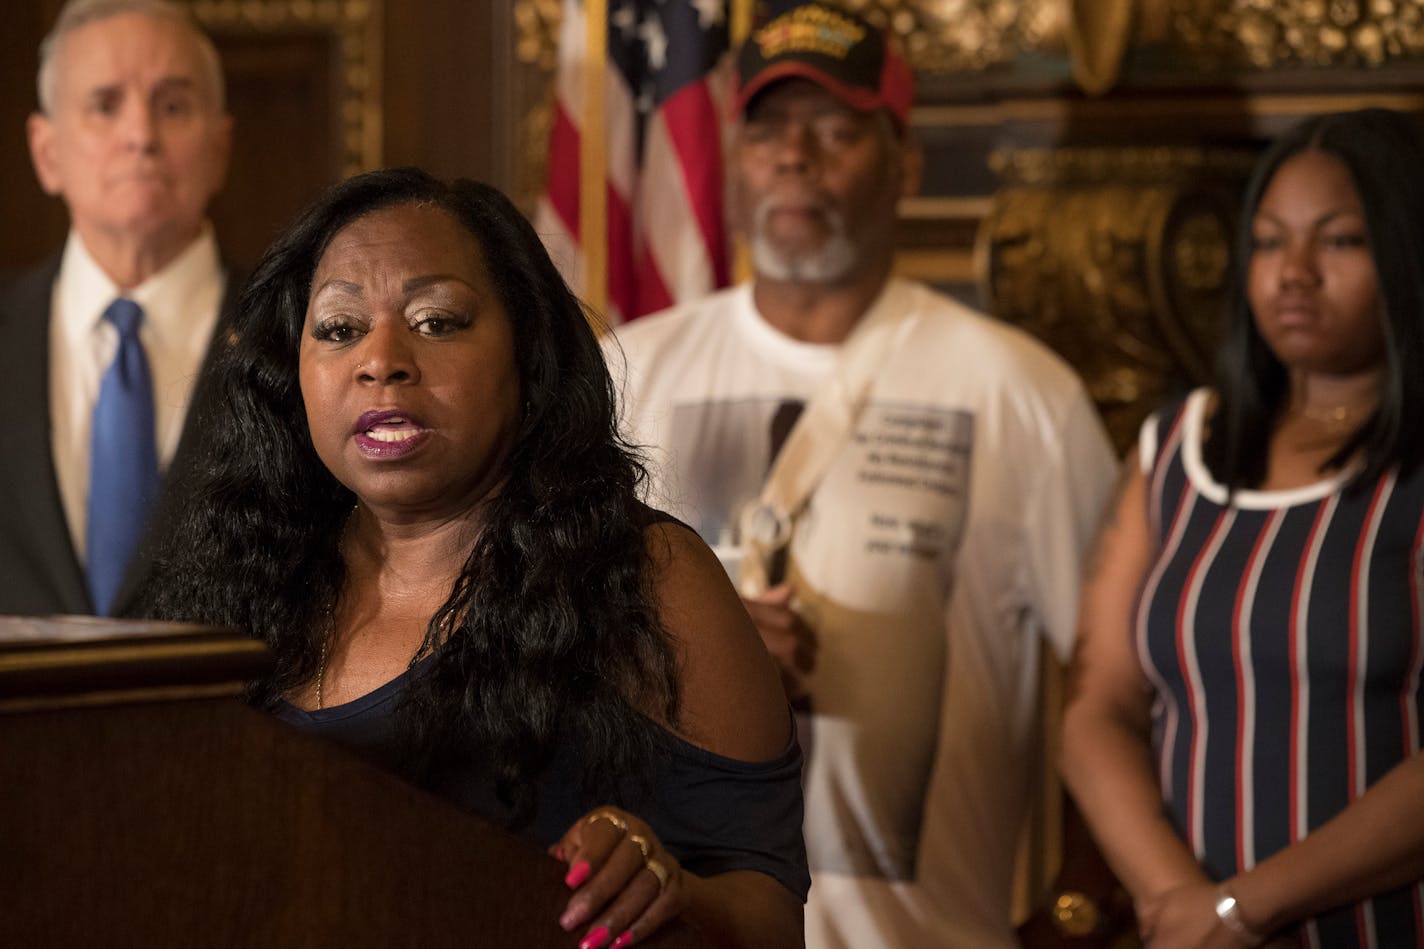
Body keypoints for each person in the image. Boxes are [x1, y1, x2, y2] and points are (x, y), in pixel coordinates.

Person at [136, 167, 809, 949]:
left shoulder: (644, 575)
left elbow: (771, 915)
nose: (381, 359)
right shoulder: (234, 579)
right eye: (340, 328)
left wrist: (669, 884)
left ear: (526, 352)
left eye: (438, 320)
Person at [607, 4, 1118, 945]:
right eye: (766, 131)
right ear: (734, 161)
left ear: (906, 164)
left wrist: (1079, 906)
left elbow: (1126, 682)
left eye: (836, 130)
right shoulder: (624, 375)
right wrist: (690, 650)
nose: (795, 157)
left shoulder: (1021, 394)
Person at [1060, 107, 1424, 948]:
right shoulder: (1174, 449)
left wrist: (1244, 906)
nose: (1293, 272)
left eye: (1338, 241)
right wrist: (1183, 900)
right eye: (1267, 242)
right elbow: (1095, 708)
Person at [0, 0, 234, 617]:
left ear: (220, 146)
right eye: (105, 105)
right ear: (47, 152)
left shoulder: (298, 341)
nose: (141, 136)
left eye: (173, 106)